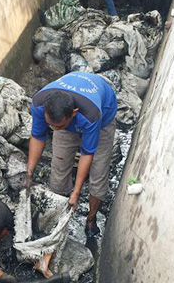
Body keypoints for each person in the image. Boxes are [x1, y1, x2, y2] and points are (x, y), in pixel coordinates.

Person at [24, 72, 117, 237]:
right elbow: (38, 136)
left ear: (73, 113)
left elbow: (87, 153)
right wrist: (29, 173)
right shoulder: (40, 104)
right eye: (50, 125)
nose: (54, 129)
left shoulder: (91, 114)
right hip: (67, 117)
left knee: (98, 171)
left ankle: (91, 219)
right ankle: (58, 213)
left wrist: (76, 192)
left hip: (102, 119)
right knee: (59, 166)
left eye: (57, 126)